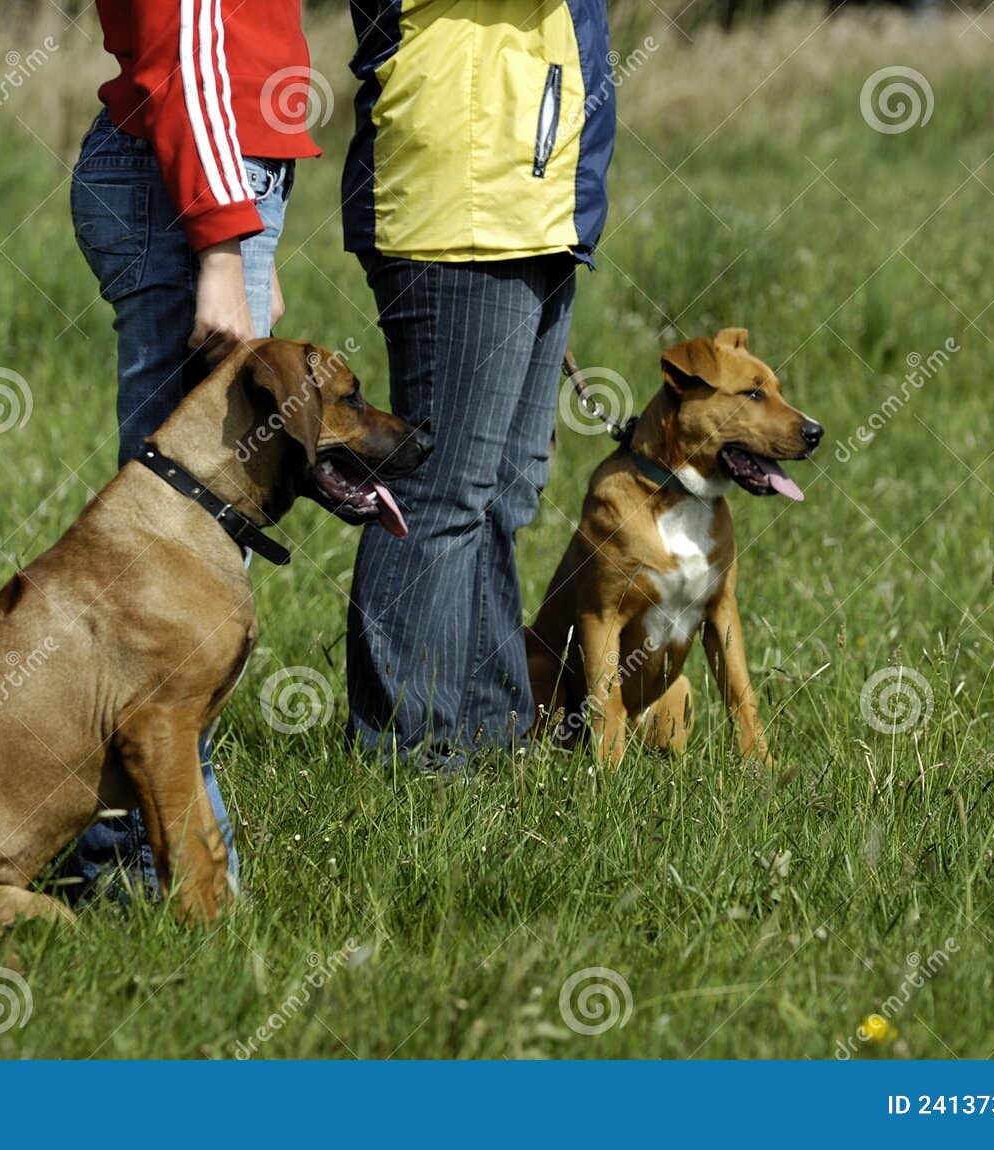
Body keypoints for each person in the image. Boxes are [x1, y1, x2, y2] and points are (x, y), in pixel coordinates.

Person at [62, 0, 318, 896]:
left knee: (187, 551)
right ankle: (143, 871)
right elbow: (190, 39)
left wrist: (254, 239)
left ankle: (127, 855)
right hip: (184, 191)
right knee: (175, 560)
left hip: (201, 180)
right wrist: (221, 242)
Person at [343, 1, 616, 766]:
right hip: (461, 201)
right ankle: (404, 753)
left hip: (531, 202)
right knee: (442, 491)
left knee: (502, 492)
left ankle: (491, 737)